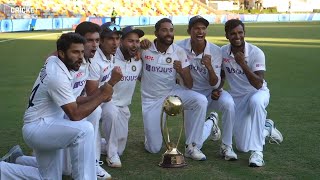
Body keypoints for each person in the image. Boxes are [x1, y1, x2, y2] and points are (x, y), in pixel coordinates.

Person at [0, 32, 113, 179]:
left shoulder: (54, 60)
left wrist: (99, 95)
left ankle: (11, 164)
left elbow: (74, 99)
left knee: (49, 177)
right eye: (74, 52)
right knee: (84, 129)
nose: (80, 57)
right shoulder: (57, 76)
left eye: (81, 51)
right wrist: (102, 95)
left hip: (46, 125)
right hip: (39, 128)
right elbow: (75, 115)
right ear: (62, 53)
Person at [140, 18, 208, 161]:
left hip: (172, 94)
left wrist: (182, 72)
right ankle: (151, 134)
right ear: (156, 33)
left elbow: (189, 85)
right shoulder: (145, 49)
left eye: (171, 30)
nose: (169, 33)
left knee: (200, 100)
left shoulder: (179, 52)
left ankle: (193, 146)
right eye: (164, 30)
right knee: (153, 149)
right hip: (151, 100)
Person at [220, 19, 282, 167]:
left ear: (244, 33)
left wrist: (242, 63)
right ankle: (267, 128)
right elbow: (221, 76)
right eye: (233, 33)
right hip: (237, 98)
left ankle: (257, 153)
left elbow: (258, 83)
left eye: (240, 32)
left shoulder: (256, 52)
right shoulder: (222, 52)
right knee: (242, 147)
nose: (237, 36)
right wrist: (217, 89)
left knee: (256, 102)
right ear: (227, 35)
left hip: (258, 92)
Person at [176, 15, 238, 161]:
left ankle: (227, 146)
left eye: (203, 28)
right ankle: (210, 123)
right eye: (196, 28)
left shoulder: (215, 51)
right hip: (189, 94)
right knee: (193, 138)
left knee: (229, 104)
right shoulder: (179, 47)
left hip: (211, 93)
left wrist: (209, 67)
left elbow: (215, 83)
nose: (200, 31)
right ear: (189, 31)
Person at [100, 26, 144, 168]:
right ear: (121, 42)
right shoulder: (111, 58)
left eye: (137, 41)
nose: (135, 45)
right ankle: (111, 155)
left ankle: (96, 144)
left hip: (124, 106)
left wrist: (145, 47)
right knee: (111, 112)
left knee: (120, 150)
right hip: (106, 103)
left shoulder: (138, 59)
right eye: (130, 41)